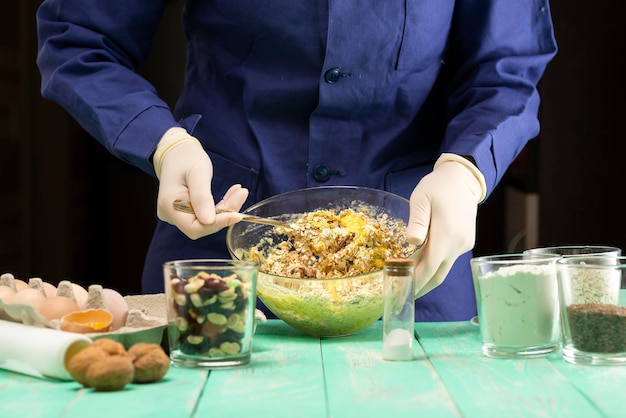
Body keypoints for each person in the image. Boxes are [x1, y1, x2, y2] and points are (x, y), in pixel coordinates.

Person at [36, 1, 557, 321]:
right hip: (221, 254)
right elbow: (79, 39)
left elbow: (505, 70)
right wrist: (163, 140)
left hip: (417, 267)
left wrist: (465, 171)